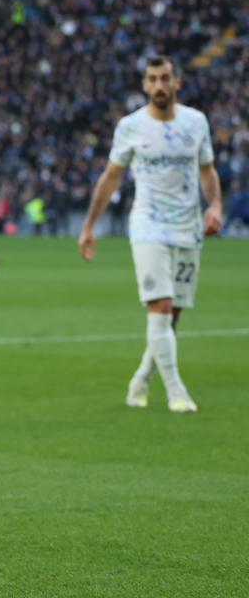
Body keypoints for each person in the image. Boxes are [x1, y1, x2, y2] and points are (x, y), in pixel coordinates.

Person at [79, 57, 222, 412]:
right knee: (158, 305)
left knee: (171, 313)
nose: (159, 85)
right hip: (148, 225)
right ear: (144, 85)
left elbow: (207, 169)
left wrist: (215, 204)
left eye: (165, 78)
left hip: (188, 227)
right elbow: (111, 176)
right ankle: (176, 390)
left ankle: (141, 378)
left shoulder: (195, 122)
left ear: (177, 81)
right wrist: (88, 224)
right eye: (153, 79)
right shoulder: (131, 126)